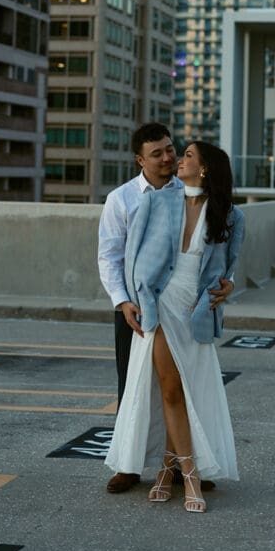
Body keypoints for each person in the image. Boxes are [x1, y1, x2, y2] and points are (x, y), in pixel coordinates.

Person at [104, 140, 245, 513]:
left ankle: (167, 469)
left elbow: (227, 271)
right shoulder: (155, 201)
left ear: (205, 169)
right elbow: (131, 258)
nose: (178, 161)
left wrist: (228, 286)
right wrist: (133, 299)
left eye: (186, 156)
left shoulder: (231, 216)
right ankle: (191, 475)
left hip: (195, 308)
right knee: (169, 388)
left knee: (184, 389)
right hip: (160, 303)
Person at [98, 122, 182, 495]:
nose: (167, 157)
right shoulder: (121, 198)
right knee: (131, 387)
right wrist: (122, 302)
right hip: (133, 309)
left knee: (181, 387)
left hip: (180, 307)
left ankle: (183, 463)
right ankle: (128, 467)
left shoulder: (191, 194)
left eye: (170, 148)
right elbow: (109, 256)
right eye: (157, 153)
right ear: (139, 159)